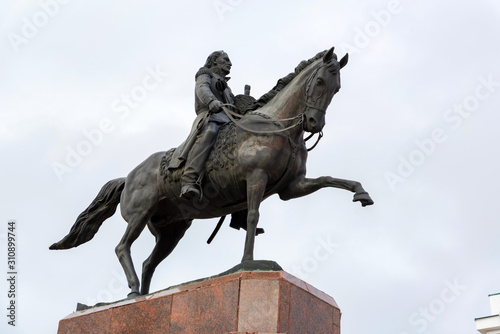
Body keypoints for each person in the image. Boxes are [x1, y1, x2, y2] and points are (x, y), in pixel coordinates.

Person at [168, 50, 235, 199]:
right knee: (210, 132)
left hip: (229, 121)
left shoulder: (228, 88)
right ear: (214, 61)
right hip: (210, 117)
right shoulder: (205, 74)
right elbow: (202, 88)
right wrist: (211, 101)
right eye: (226, 59)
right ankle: (189, 179)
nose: (230, 63)